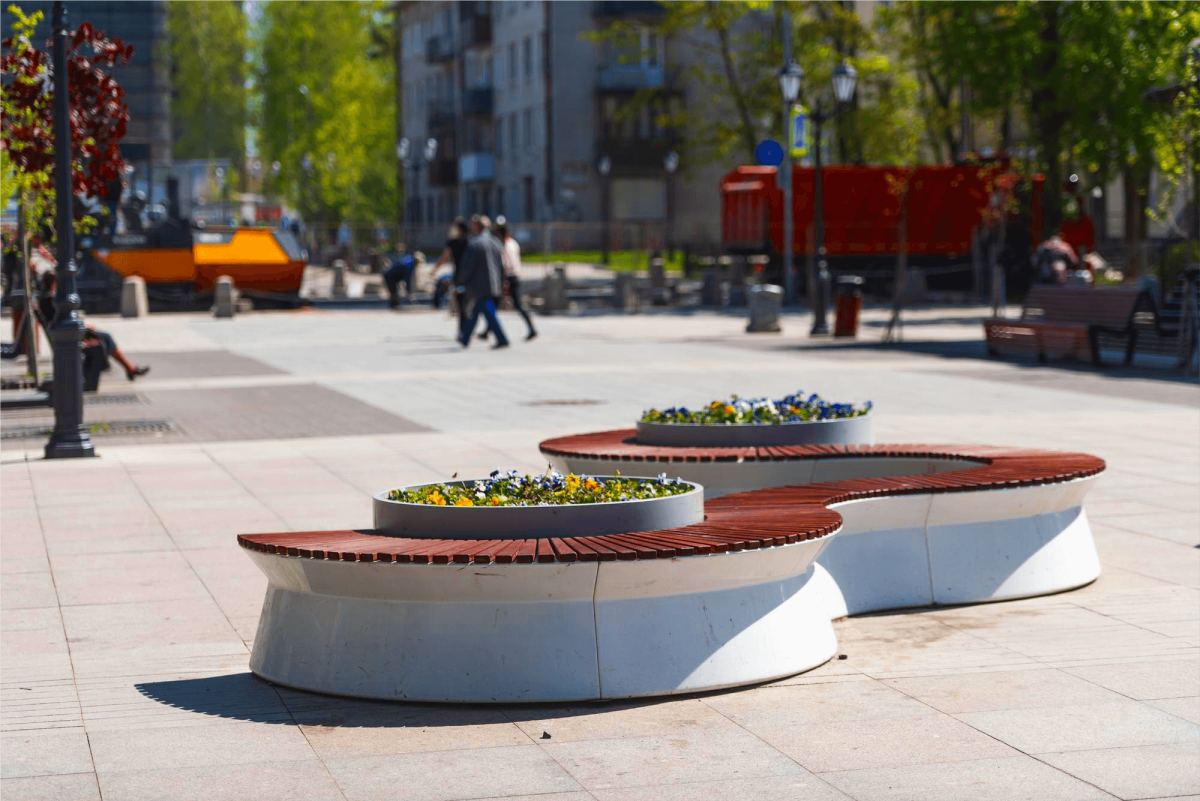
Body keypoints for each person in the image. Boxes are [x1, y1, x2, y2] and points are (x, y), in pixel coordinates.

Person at [39, 272, 150, 381]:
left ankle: (130, 368)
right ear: (54, 282)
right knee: (105, 338)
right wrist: (83, 327)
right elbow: (61, 320)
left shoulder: (46, 298)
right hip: (69, 336)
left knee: (105, 338)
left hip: (67, 333)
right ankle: (130, 368)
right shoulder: (52, 299)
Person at [457, 215, 509, 350]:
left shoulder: (475, 243)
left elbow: (468, 266)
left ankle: (501, 338)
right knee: (477, 310)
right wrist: (503, 280)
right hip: (494, 282)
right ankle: (465, 338)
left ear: (478, 227)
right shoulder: (495, 242)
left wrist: (461, 280)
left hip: (480, 284)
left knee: (486, 311)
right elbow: (502, 264)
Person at [482, 221, 536, 341]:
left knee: (499, 304)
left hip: (508, 278)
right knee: (512, 304)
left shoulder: (504, 246)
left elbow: (507, 265)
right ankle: (487, 331)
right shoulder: (514, 243)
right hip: (514, 276)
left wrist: (504, 281)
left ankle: (488, 331)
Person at [383, 242, 416, 308]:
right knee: (393, 292)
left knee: (394, 292)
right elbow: (408, 278)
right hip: (390, 276)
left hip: (391, 274)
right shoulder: (410, 264)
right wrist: (409, 292)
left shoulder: (408, 258)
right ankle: (394, 305)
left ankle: (395, 305)